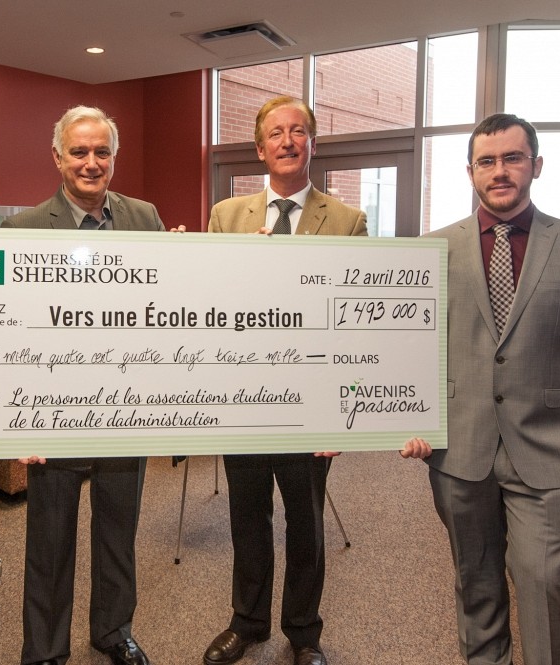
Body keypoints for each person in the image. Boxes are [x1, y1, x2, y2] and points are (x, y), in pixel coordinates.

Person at [402, 113, 560, 665]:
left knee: (550, 586)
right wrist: (404, 417)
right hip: (460, 449)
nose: (499, 171)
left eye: (512, 158)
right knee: (475, 586)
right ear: (470, 172)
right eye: (488, 161)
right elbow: (409, 347)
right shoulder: (430, 250)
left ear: (536, 165)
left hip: (554, 450)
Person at [1, 105, 167, 665]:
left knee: (118, 534)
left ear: (114, 159)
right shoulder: (21, 229)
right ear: (57, 157)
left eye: (101, 152)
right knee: (49, 543)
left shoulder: (145, 218)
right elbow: (5, 326)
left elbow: (167, 307)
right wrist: (13, 418)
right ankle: (45, 651)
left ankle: (113, 632)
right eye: (79, 151)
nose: (90, 163)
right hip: (54, 414)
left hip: (126, 408)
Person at [204, 96, 367, 665]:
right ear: (260, 148)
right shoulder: (226, 217)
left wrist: (343, 412)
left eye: (299, 131)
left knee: (307, 525)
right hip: (244, 398)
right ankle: (247, 622)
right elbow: (206, 307)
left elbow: (354, 319)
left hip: (311, 402)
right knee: (247, 519)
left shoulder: (346, 221)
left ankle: (303, 633)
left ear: (312, 145)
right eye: (276, 132)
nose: (288, 141)